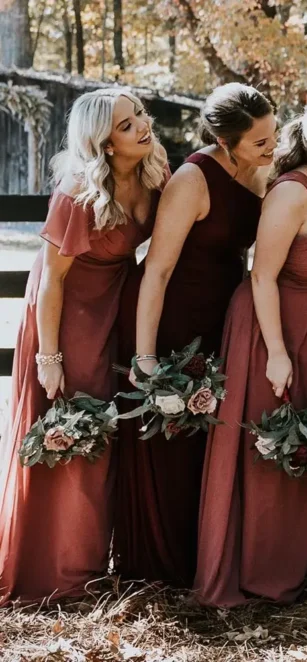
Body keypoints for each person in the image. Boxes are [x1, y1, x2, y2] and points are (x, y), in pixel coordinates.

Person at [192, 93, 307, 607]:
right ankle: (253, 571)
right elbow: (262, 276)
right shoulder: (291, 194)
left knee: (306, 442)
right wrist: (276, 352)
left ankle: (294, 566)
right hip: (269, 326)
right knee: (265, 445)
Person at [0, 89, 168, 604]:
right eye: (125, 125)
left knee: (108, 432)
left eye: (139, 114)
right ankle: (58, 572)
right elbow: (51, 280)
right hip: (66, 312)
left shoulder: (152, 174)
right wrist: (48, 358)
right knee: (75, 430)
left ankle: (93, 562)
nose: (141, 126)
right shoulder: (78, 191)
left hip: (113, 304)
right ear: (105, 144)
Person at [114, 83, 275, 586]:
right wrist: (144, 356)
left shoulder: (262, 172)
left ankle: (207, 552)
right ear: (225, 142)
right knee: (170, 439)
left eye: (272, 136)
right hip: (170, 315)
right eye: (259, 143)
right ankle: (162, 566)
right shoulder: (193, 179)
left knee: (209, 436)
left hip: (218, 316)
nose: (271, 149)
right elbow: (157, 270)